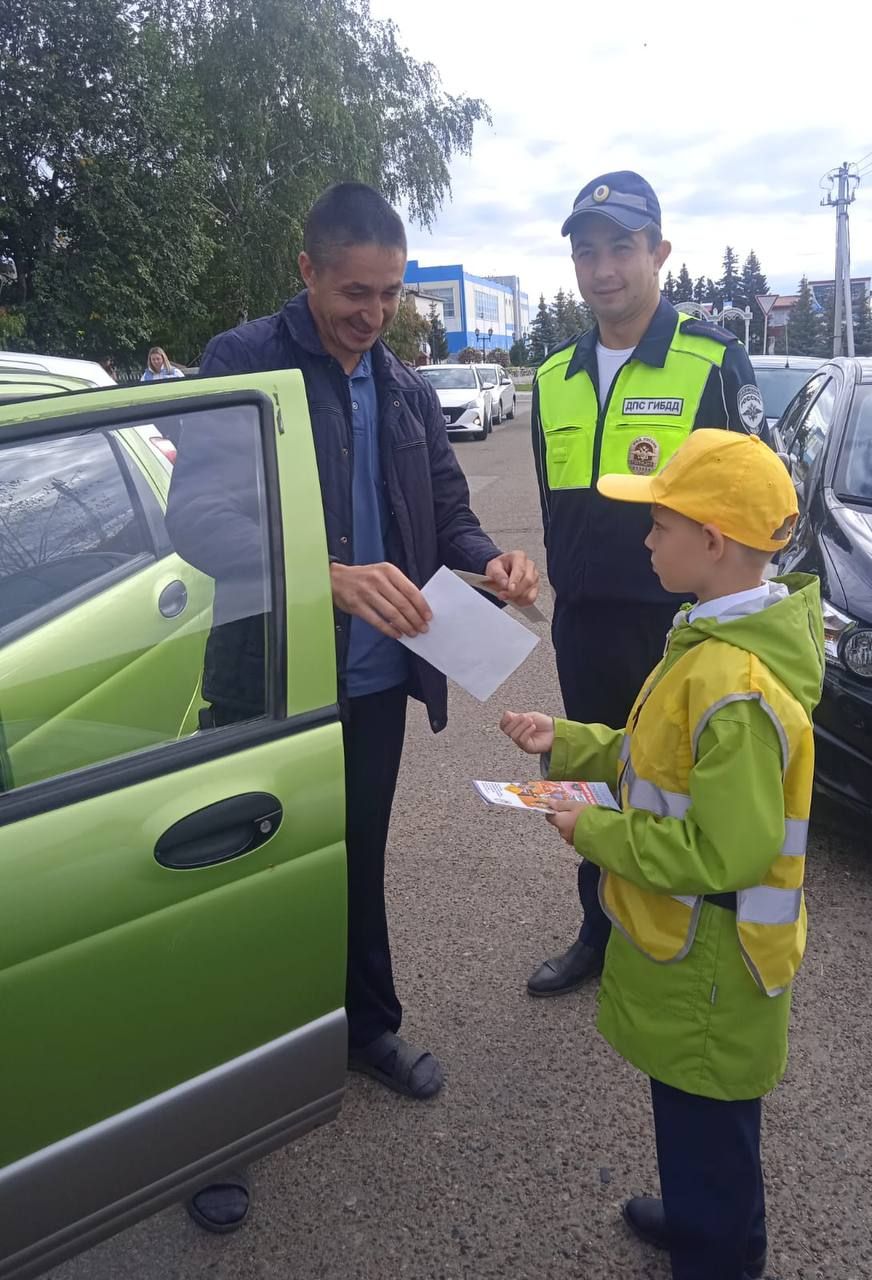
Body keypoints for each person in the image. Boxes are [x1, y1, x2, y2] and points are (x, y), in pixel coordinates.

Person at [166, 181, 539, 1233]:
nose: (370, 314)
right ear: (307, 270)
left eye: (387, 294)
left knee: (353, 865)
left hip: (374, 684)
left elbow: (448, 518)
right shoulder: (242, 364)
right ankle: (221, 1121)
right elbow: (193, 516)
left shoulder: (407, 385)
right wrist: (324, 574)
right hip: (270, 685)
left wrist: (492, 562)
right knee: (248, 898)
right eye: (353, 291)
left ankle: (365, 1027)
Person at [502, 429, 823, 1280]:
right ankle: (698, 1220)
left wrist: (593, 830)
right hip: (699, 960)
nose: (645, 542)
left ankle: (715, 1252)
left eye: (659, 526)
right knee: (693, 1123)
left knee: (709, 1129)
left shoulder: (736, 686)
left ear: (711, 541)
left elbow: (727, 851)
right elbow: (656, 755)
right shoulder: (708, 645)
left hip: (714, 965)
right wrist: (567, 741)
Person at [528, 170, 770, 997]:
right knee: (594, 780)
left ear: (658, 252)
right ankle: (601, 930)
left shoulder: (709, 360)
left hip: (679, 631)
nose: (603, 270)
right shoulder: (553, 375)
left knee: (679, 791)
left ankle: (687, 943)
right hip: (583, 623)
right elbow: (550, 503)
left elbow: (753, 503)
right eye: (587, 252)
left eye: (622, 249)